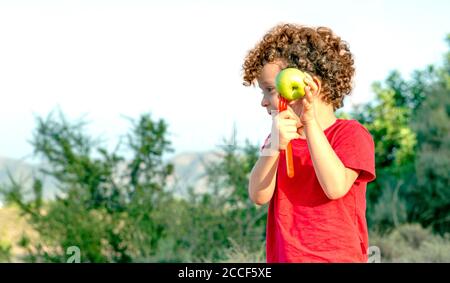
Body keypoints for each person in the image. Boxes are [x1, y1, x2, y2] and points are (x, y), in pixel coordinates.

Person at [242, 23, 376, 263]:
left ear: (308, 85)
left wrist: (310, 121)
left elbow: (334, 187)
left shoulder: (351, 134)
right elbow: (258, 195)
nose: (263, 102)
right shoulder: (279, 139)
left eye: (270, 90)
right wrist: (274, 147)